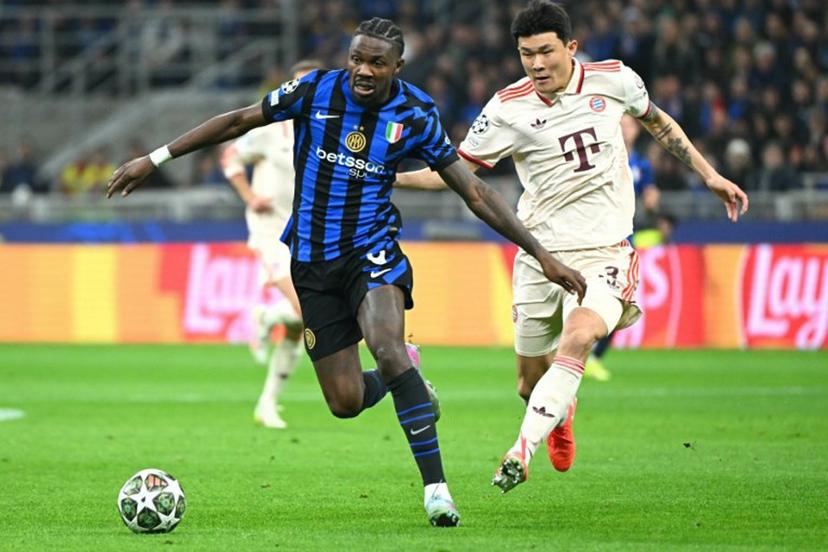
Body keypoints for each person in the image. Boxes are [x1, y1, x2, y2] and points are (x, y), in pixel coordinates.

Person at [107, 17, 586, 526]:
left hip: (371, 251)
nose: (362, 70)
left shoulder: (416, 113)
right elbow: (238, 121)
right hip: (312, 262)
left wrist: (541, 254)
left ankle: (437, 492)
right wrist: (154, 158)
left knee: (387, 346)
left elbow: (475, 191)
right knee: (345, 401)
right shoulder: (314, 89)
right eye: (356, 58)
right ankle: (409, 376)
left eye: (376, 63)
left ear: (397, 67)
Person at [395, 1, 748, 494]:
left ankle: (521, 451)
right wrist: (384, 176)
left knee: (579, 337)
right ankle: (559, 415)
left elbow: (658, 121)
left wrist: (709, 175)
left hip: (605, 249)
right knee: (527, 383)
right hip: (541, 254)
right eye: (526, 55)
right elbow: (453, 174)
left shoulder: (615, 79)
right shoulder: (505, 108)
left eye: (545, 52)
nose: (537, 64)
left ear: (571, 48)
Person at [218, 60, 322, 430]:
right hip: (269, 231)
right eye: (297, 85)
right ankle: (267, 315)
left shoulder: (325, 132)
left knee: (298, 325)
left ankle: (267, 403)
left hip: (306, 235)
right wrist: (248, 195)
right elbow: (229, 156)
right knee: (306, 310)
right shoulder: (269, 129)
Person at [584, 113, 661, 382]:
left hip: (625, 239)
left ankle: (593, 357)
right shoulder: (601, 156)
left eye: (629, 124)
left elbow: (649, 193)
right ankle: (574, 353)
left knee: (619, 304)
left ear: (637, 130)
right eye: (621, 124)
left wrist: (652, 199)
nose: (624, 129)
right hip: (594, 238)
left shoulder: (641, 164)